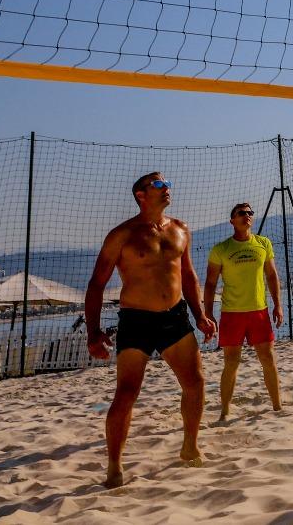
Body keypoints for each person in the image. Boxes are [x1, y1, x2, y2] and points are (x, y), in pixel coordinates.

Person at [84, 172, 216, 488]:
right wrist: (93, 332)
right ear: (141, 195)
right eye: (158, 185)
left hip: (175, 317)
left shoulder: (181, 229)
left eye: (167, 182)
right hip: (136, 319)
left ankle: (190, 445)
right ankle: (114, 467)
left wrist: (200, 314)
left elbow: (188, 277)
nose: (166, 187)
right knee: (127, 394)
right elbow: (96, 284)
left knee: (195, 383)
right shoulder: (122, 235)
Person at [204, 201, 283, 422]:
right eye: (241, 213)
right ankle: (225, 411)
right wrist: (208, 314)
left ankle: (277, 407)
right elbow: (210, 284)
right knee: (231, 362)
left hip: (259, 311)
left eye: (249, 213)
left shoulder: (263, 243)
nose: (246, 216)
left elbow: (272, 276)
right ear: (232, 220)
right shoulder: (221, 249)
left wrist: (277, 305)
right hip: (232, 313)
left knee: (268, 358)